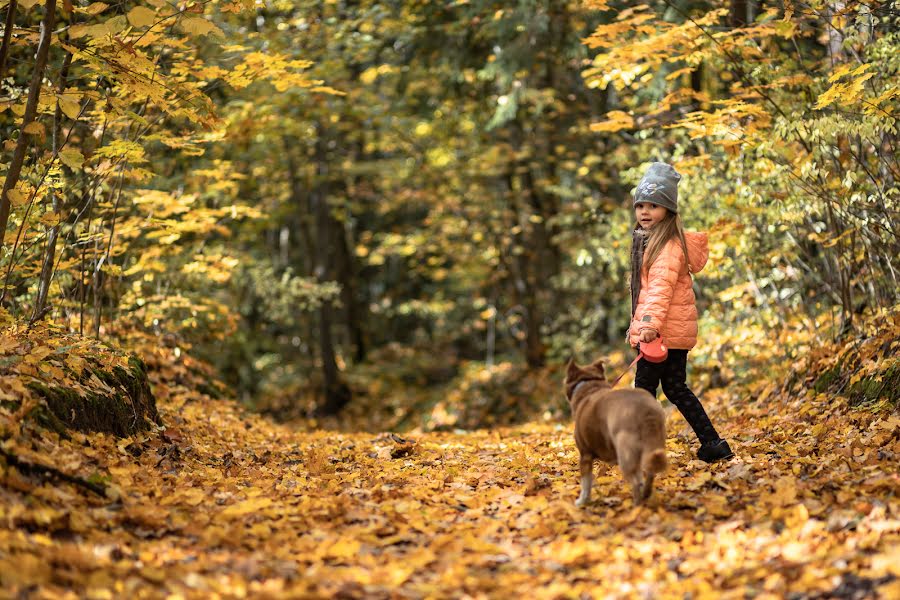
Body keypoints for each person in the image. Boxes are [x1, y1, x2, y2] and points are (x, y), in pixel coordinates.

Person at [628, 162, 733, 463]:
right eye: (641, 206)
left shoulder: (666, 246)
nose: (645, 212)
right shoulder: (651, 242)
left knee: (645, 391)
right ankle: (712, 443)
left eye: (654, 206)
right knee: (674, 387)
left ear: (669, 211)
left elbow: (660, 290)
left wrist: (648, 325)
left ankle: (642, 450)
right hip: (670, 331)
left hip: (661, 332)